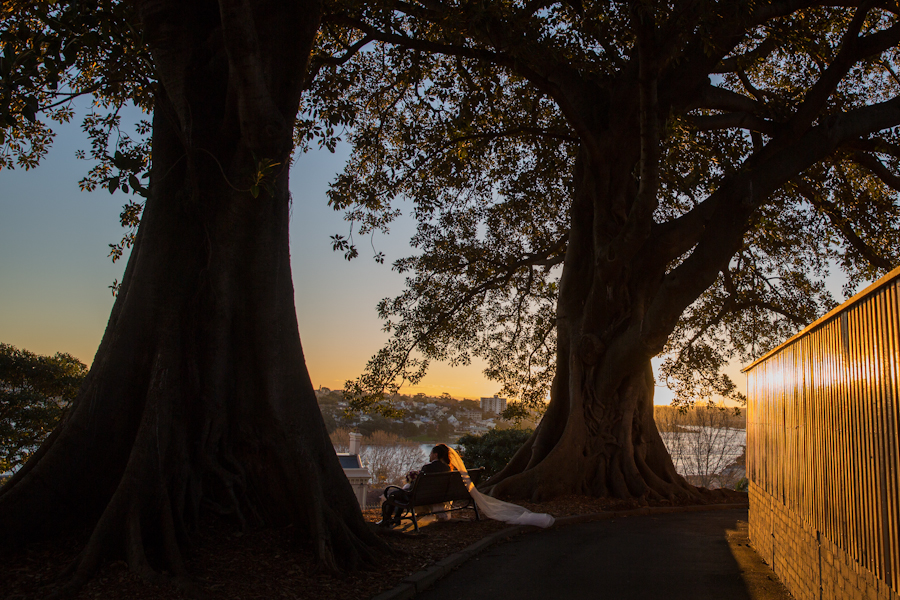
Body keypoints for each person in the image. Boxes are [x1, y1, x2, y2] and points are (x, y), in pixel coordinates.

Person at [440, 443, 555, 528]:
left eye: (431, 453)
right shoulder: (451, 472)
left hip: (434, 497)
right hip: (455, 494)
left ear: (436, 455)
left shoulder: (433, 470)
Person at [379, 445, 452, 526]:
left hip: (420, 498)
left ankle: (387, 520)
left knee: (392, 495)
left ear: (436, 455)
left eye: (431, 453)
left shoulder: (427, 468)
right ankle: (396, 519)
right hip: (436, 497)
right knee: (399, 495)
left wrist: (409, 484)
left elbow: (415, 486)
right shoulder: (447, 468)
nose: (429, 455)